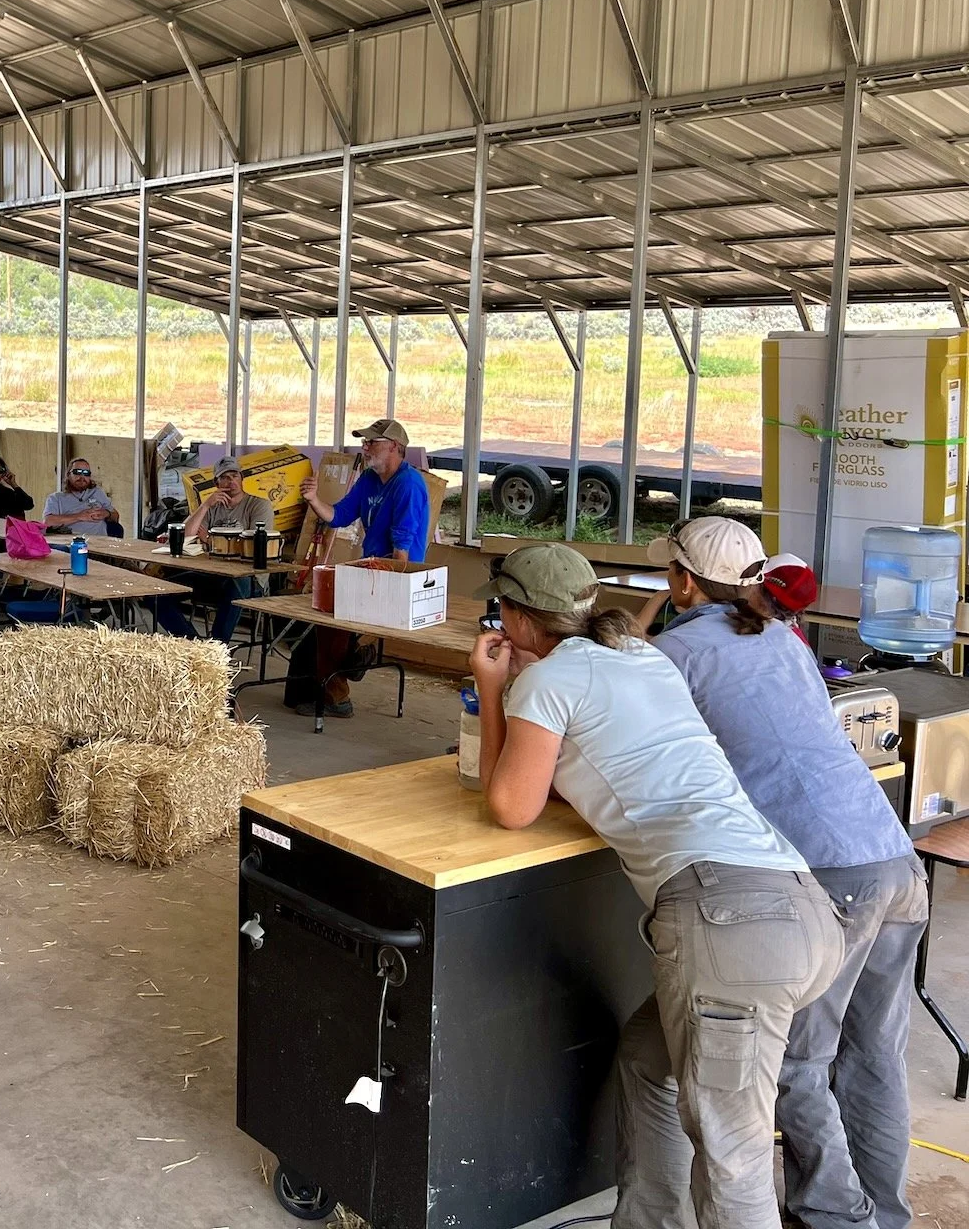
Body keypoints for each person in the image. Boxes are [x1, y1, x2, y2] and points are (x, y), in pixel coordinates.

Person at [467, 543, 843, 1229]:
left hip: (728, 925)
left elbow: (510, 806)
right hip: (798, 902)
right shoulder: (640, 655)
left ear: (517, 618)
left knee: (731, 1156)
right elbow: (600, 767)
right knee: (648, 1060)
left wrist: (493, 690)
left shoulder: (550, 679)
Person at [618, 516, 925, 1229]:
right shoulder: (784, 639)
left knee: (794, 1065)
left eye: (671, 573)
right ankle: (885, 1216)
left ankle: (840, 1221)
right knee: (874, 1058)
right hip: (891, 855)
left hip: (827, 876)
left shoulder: (674, 654)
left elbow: (630, 739)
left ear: (683, 582)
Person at [288, 418, 432, 718]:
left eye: (372, 443)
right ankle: (348, 667)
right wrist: (313, 499)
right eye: (364, 442)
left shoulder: (408, 483)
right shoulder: (369, 478)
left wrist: (393, 590)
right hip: (372, 569)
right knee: (325, 618)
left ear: (395, 447)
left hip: (396, 573)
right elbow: (339, 516)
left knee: (332, 622)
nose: (365, 448)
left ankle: (348, 672)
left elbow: (403, 546)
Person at [155, 456, 273, 643]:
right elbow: (184, 537)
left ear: (242, 478)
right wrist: (205, 506)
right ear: (216, 483)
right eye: (224, 477)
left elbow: (252, 547)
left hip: (249, 578)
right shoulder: (212, 507)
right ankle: (193, 644)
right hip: (212, 574)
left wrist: (210, 540)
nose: (231, 481)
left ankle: (217, 647)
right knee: (156, 592)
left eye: (234, 476)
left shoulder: (258, 505)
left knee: (237, 582)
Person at [42, 458, 120, 536]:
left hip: (99, 541)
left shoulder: (97, 492)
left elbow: (116, 516)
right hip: (69, 541)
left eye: (86, 473)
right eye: (77, 472)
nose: (82, 477)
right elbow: (48, 522)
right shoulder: (56, 498)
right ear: (68, 475)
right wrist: (79, 516)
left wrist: (107, 513)